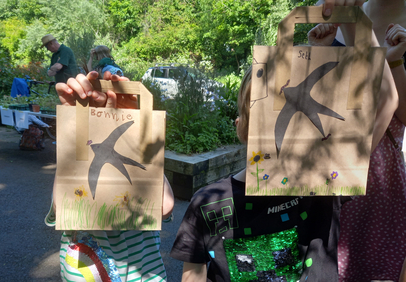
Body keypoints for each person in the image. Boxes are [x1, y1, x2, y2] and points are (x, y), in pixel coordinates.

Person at [170, 66, 351, 282]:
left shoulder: (324, 188)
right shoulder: (207, 203)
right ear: (241, 127)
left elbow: (376, 108)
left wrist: (321, 51)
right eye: (266, 117)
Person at [44, 70, 174, 282]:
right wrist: (74, 130)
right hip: (89, 274)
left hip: (144, 277)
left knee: (128, 165)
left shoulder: (142, 174)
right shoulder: (79, 173)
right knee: (115, 168)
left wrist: (139, 137)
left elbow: (165, 207)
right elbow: (63, 205)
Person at [310, 1, 406, 281]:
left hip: (380, 177)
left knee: (377, 268)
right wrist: (321, 51)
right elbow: (318, 102)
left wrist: (394, 64)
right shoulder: (336, 9)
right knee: (325, 268)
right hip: (329, 171)